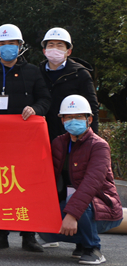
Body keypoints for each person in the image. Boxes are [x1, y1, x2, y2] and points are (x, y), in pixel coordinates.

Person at [0, 23, 51, 252]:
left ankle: (29, 236)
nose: (7, 47)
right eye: (2, 43)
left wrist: (35, 109)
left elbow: (45, 100)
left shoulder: (33, 72)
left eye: (12, 43)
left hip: (25, 142)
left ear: (20, 46)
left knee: (25, 186)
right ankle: (0, 235)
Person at [38, 95, 123, 265]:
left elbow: (91, 184)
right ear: (62, 120)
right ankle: (81, 242)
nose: (73, 121)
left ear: (89, 119)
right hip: (71, 203)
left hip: (101, 206)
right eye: (68, 117)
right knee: (45, 232)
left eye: (78, 117)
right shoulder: (58, 143)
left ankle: (92, 248)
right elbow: (46, 174)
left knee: (75, 201)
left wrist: (71, 215)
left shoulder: (99, 146)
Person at [39, 27, 99, 141]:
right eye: (51, 45)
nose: (55, 49)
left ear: (69, 51)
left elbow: (92, 107)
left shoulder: (80, 74)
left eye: (60, 45)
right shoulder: (37, 73)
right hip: (43, 134)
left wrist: (92, 139)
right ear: (44, 51)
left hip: (72, 135)